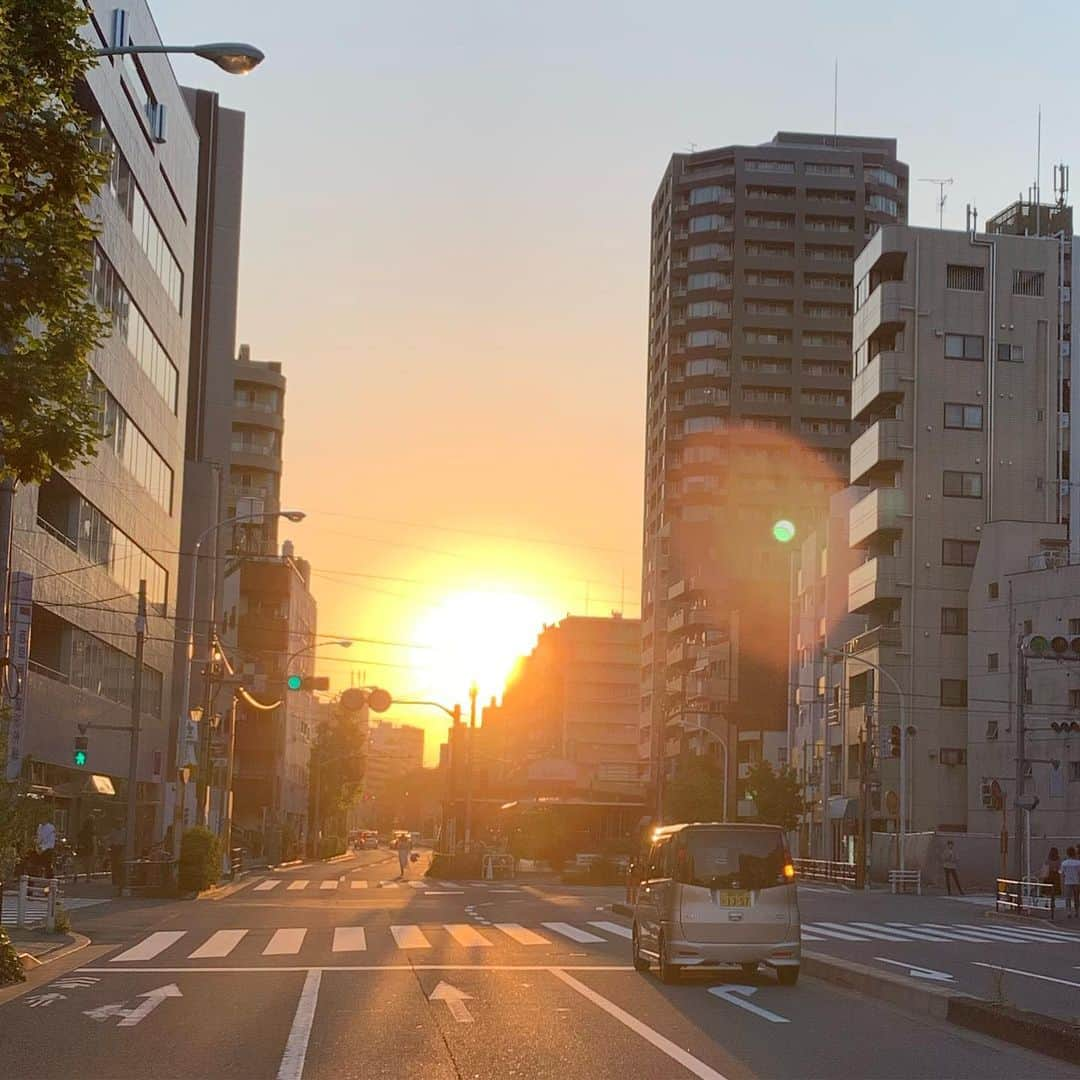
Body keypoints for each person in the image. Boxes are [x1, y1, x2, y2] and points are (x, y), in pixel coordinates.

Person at [75, 815, 98, 884]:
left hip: (81, 848)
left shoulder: (81, 831)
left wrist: (77, 847)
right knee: (88, 863)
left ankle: (75, 874)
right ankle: (88, 878)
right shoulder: (92, 832)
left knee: (80, 862)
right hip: (89, 848)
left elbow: (77, 839)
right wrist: (95, 850)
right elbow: (94, 841)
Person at [1060, 846, 1080, 918]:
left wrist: (1062, 883)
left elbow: (1062, 873)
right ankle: (1076, 911)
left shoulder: (1064, 863)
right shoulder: (1078, 863)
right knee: (1076, 897)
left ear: (1067, 853)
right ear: (1074, 853)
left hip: (1067, 882)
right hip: (1076, 881)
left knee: (1068, 897)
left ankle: (1069, 911)